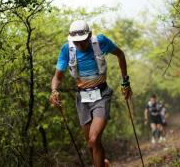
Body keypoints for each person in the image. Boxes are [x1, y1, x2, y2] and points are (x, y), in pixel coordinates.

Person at [49, 20, 132, 167]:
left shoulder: (100, 42)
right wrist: (54, 91)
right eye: (76, 42)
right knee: (91, 144)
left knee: (94, 139)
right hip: (83, 98)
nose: (80, 45)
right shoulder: (66, 50)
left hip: (102, 94)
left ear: (89, 36)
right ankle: (103, 163)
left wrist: (125, 82)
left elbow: (120, 54)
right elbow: (57, 76)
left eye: (82, 41)